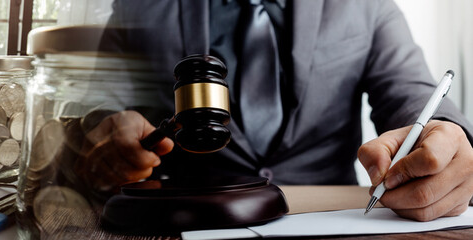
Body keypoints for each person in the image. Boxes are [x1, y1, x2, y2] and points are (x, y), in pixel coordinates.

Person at [87, 0, 473, 222]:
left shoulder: (366, 5)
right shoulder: (138, 6)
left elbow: (413, 94)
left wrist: (446, 133)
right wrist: (102, 132)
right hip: (190, 219)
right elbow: (95, 111)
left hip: (333, 218)